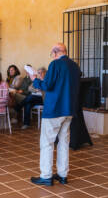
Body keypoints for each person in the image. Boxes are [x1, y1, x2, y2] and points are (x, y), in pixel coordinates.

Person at [30, 43, 80, 186]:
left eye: (52, 52)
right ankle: (62, 174)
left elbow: (46, 86)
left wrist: (35, 79)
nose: (52, 55)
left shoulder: (55, 64)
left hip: (54, 109)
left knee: (47, 143)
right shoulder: (74, 66)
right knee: (64, 142)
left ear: (55, 52)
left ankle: (46, 176)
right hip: (69, 109)